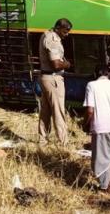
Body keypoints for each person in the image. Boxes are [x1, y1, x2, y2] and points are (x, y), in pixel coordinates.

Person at [83, 65, 110, 193]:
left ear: (95, 73)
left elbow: (90, 111)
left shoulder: (91, 85)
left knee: (100, 159)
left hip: (100, 126)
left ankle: (105, 186)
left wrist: (85, 124)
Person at [38, 18, 72, 146]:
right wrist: (67, 64)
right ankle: (63, 141)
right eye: (65, 31)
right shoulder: (53, 40)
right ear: (58, 28)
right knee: (58, 110)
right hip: (53, 78)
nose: (67, 34)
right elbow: (56, 64)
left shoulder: (47, 34)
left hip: (46, 77)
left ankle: (43, 140)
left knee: (45, 111)